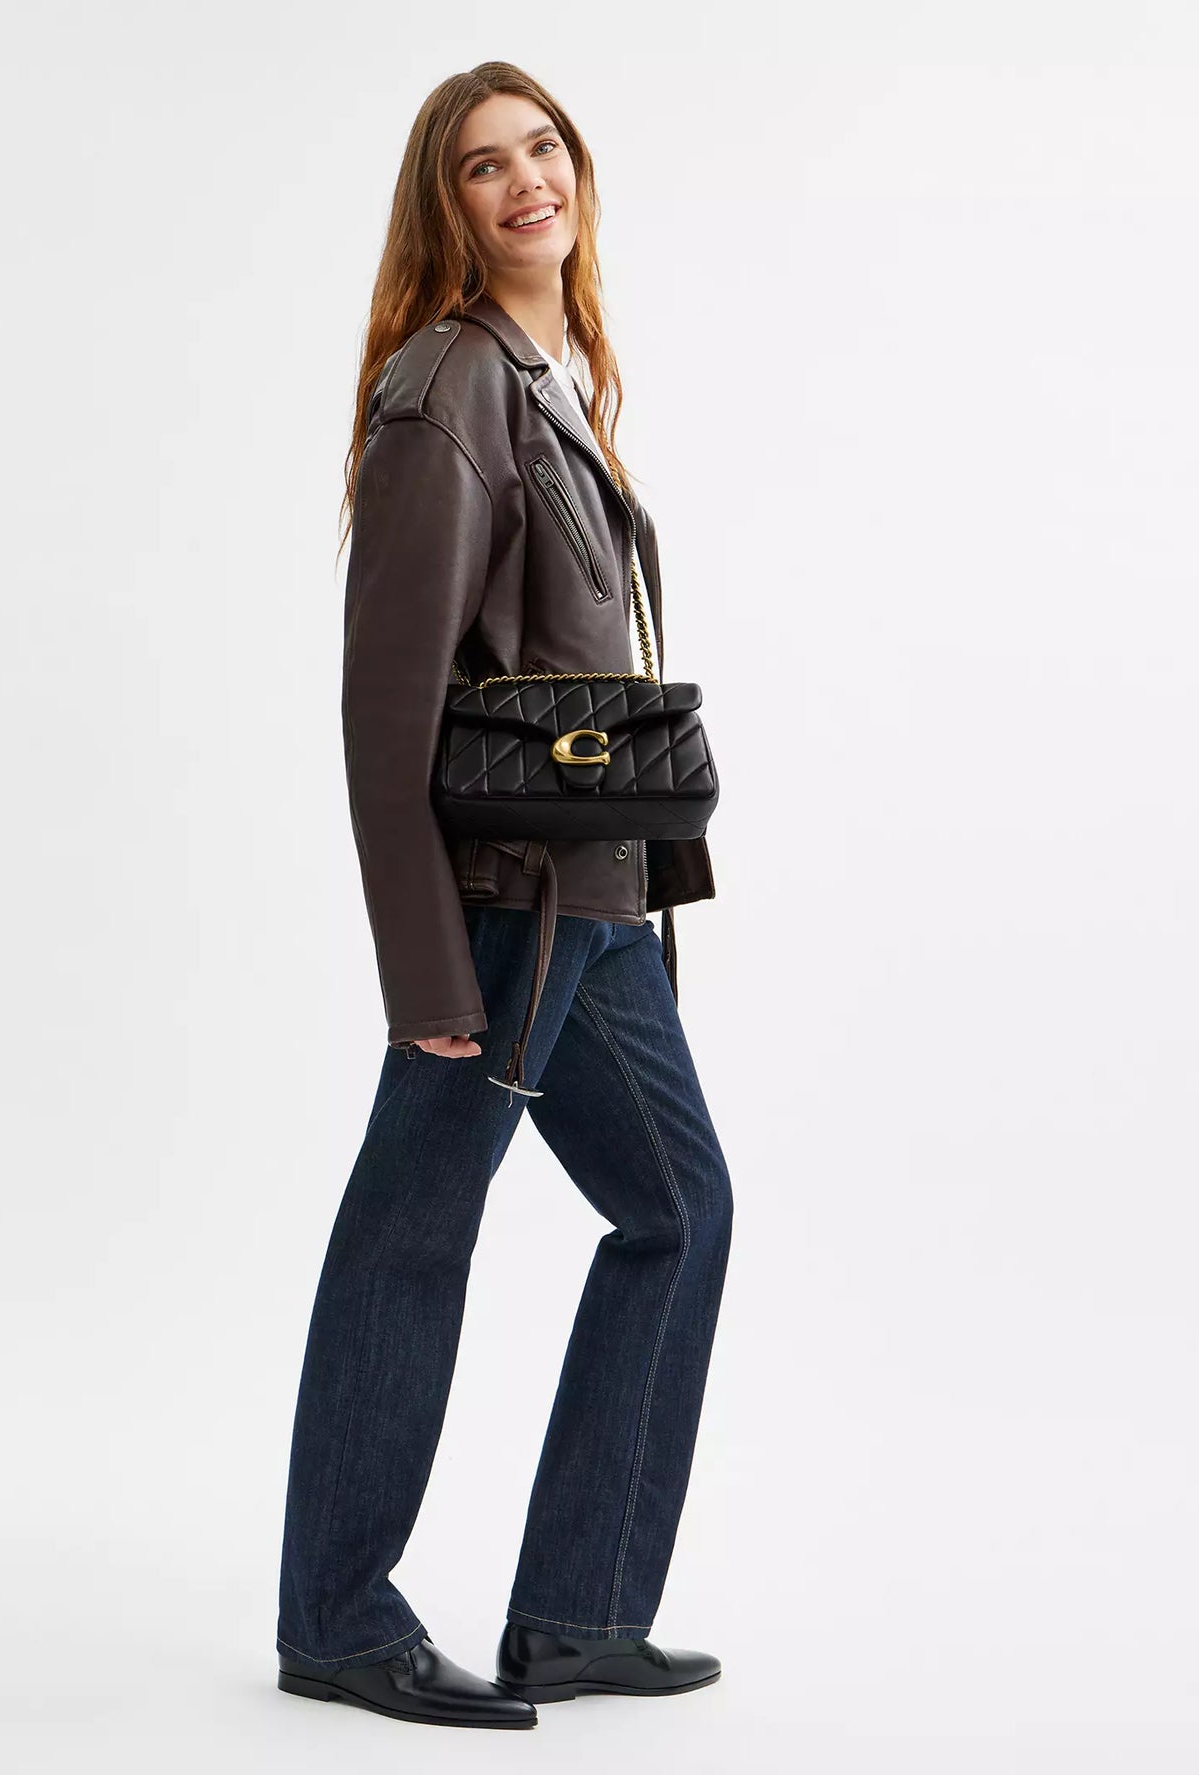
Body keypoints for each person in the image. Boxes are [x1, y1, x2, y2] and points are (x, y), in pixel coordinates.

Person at [275, 62, 734, 1731]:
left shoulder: (548, 378)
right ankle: (336, 1621)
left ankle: (577, 1614)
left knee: (678, 1213)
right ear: (446, 207)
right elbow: (384, 703)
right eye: (483, 165)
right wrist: (424, 979)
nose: (526, 179)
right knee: (409, 1240)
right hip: (499, 910)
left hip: (589, 903)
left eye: (542, 147)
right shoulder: (450, 388)